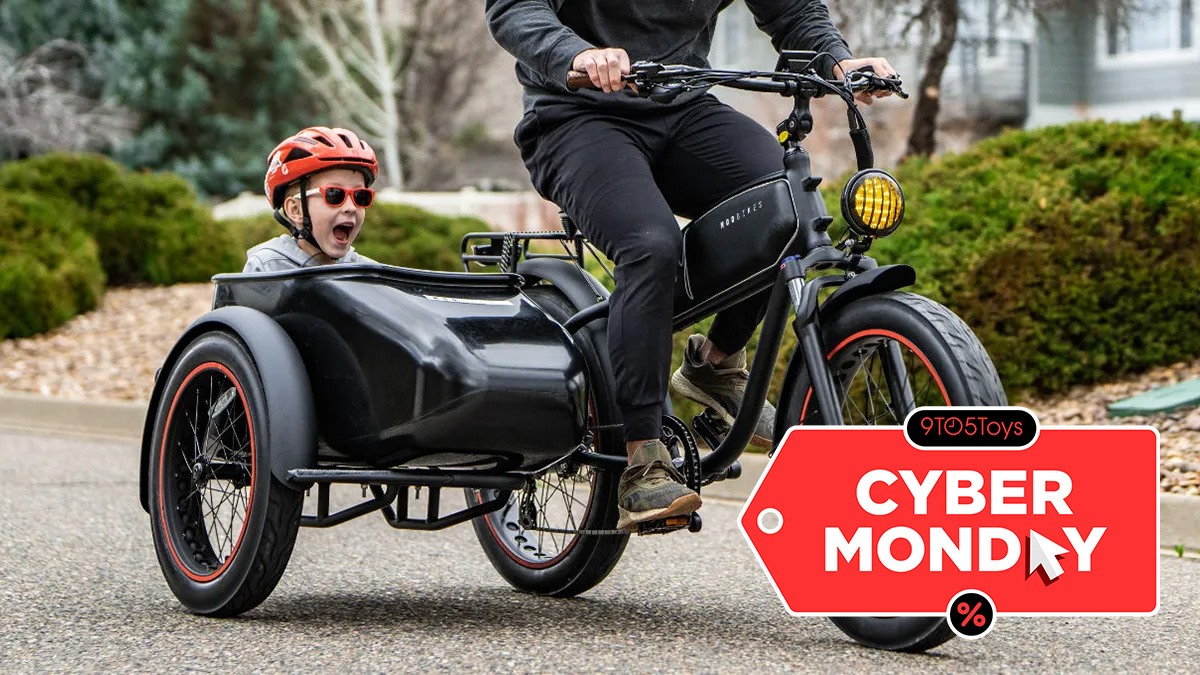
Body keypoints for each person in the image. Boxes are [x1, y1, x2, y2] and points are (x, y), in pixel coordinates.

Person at [485, 0, 897, 531]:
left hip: (683, 108)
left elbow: (793, 12)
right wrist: (577, 54)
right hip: (575, 116)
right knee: (651, 246)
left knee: (784, 204)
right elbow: (516, 8)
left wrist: (840, 63)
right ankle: (643, 456)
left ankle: (716, 363)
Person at [245, 126, 380, 273]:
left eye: (360, 196)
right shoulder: (267, 269)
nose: (351, 207)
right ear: (295, 210)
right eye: (334, 194)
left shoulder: (369, 274)